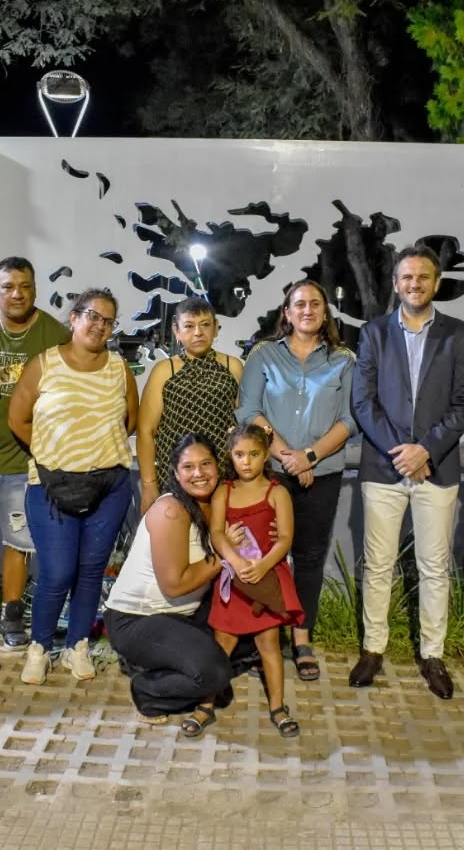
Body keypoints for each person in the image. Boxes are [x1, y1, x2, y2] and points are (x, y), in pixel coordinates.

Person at [349, 244, 464, 698]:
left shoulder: (458, 334)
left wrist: (425, 450)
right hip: (384, 468)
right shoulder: (374, 333)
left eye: (423, 277)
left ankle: (433, 654)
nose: (414, 284)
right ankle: (373, 649)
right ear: (395, 283)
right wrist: (401, 452)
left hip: (435, 470)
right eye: (407, 277)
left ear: (436, 283)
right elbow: (363, 401)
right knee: (378, 564)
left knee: (434, 567)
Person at [9, 288, 138, 682]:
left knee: (91, 570)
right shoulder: (44, 364)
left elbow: (130, 421)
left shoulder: (119, 368)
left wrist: (96, 451)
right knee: (58, 571)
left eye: (107, 320)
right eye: (92, 316)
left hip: (109, 486)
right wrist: (54, 454)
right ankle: (39, 648)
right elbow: (18, 419)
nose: (99, 325)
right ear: (74, 318)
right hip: (51, 486)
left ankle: (76, 646)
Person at [237, 279, 357, 682]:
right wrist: (289, 457)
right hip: (271, 474)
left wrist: (310, 456)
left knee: (308, 558)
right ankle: (263, 637)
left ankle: (302, 639)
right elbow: (249, 411)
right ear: (286, 312)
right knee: (265, 555)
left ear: (325, 312)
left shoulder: (344, 359)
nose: (307, 310)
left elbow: (349, 420)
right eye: (299, 304)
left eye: (315, 304)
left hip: (322, 475)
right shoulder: (264, 354)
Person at [0, 257, 70, 649]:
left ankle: (11, 615)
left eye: (24, 286)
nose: (17, 294)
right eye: (8, 286)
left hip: (25, 461)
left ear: (35, 290)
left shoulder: (55, 335)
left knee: (18, 542)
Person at [103, 434, 233, 723]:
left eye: (206, 464)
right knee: (215, 673)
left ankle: (170, 665)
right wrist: (226, 555)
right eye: (188, 467)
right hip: (137, 619)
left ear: (218, 466)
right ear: (175, 473)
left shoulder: (216, 502)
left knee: (246, 633)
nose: (198, 473)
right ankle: (147, 691)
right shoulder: (171, 510)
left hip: (181, 615)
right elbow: (174, 585)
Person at [201, 425, 303, 739]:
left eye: (254, 454)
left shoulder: (277, 493)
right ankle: (205, 704)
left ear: (266, 455)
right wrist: (234, 560)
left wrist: (263, 566)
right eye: (239, 454)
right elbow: (216, 532)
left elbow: (285, 538)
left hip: (264, 580)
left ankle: (278, 707)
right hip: (233, 581)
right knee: (222, 645)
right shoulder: (224, 492)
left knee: (269, 644)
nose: (246, 462)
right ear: (230, 456)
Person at [137, 297, 242, 515]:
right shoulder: (164, 371)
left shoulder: (232, 367)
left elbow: (243, 428)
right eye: (189, 326)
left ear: (216, 327)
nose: (198, 333)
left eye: (205, 325)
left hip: (223, 476)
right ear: (176, 330)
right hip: (175, 477)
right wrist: (148, 485)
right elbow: (146, 431)